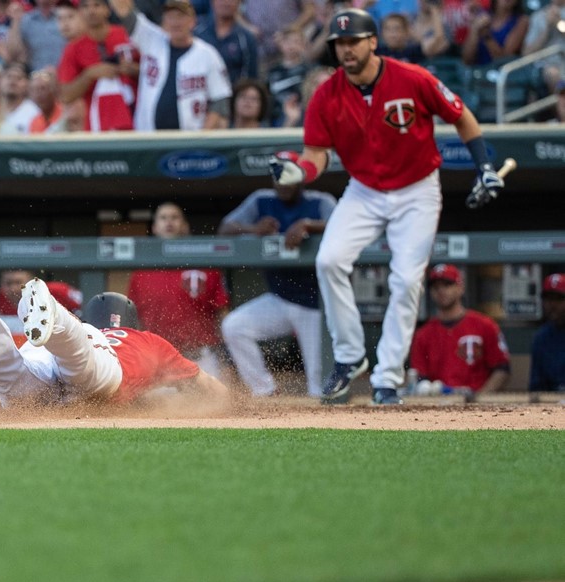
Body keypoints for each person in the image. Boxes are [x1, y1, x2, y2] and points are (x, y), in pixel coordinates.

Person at [269, 8, 505, 405]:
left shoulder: (412, 77)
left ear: (372, 42)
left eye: (353, 41)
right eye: (339, 43)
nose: (345, 49)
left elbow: (461, 115)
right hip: (364, 189)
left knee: (406, 280)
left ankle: (388, 377)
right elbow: (316, 155)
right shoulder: (327, 95)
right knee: (329, 260)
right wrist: (300, 172)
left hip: (417, 190)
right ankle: (349, 357)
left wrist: (484, 166)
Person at [0, 272, 229, 409]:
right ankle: (53, 315)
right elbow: (204, 384)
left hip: (44, 353)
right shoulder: (146, 340)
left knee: (10, 379)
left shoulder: (94, 328)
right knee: (82, 367)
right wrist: (232, 403)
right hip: (95, 356)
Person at [218, 161, 336, 397]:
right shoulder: (262, 200)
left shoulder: (320, 201)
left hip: (316, 304)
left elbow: (343, 225)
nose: (282, 184)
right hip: (280, 298)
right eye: (278, 178)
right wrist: (253, 230)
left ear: (302, 179)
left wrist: (308, 225)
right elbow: (225, 229)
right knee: (234, 326)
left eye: (289, 178)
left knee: (319, 388)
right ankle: (265, 391)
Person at [126, 203, 229, 379]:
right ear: (155, 228)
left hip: (201, 355)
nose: (169, 222)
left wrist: (226, 357)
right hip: (159, 360)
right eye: (163, 218)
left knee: (217, 402)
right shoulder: (141, 270)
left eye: (175, 217)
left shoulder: (205, 265)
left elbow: (222, 311)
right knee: (157, 405)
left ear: (185, 226)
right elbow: (131, 318)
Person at [107, 0, 232, 131]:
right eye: (171, 17)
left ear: (193, 21)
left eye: (181, 17)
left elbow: (220, 100)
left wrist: (201, 137)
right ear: (164, 21)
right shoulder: (151, 39)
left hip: (190, 141)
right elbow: (123, 9)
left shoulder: (208, 54)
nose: (176, 22)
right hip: (149, 138)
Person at [408, 264, 510, 399]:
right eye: (436, 287)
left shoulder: (485, 325)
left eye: (447, 285)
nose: (441, 290)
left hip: (477, 404)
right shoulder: (423, 334)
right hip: (438, 405)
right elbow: (419, 378)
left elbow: (502, 370)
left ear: (460, 288)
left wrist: (481, 398)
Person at [56, 0, 139, 132]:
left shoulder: (127, 35)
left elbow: (154, 71)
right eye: (86, 6)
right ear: (80, 12)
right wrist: (89, 75)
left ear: (108, 9)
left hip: (136, 117)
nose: (91, 11)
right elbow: (65, 96)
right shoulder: (73, 48)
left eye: (97, 5)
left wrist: (132, 70)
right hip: (97, 125)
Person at [194, 0, 261, 84]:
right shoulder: (197, 32)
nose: (226, 2)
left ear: (239, 3)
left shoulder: (246, 39)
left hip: (233, 93)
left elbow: (251, 79)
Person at [529, 273, 565, 394]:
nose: (552, 304)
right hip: (551, 404)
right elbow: (536, 387)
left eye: (559, 299)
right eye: (548, 298)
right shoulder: (541, 338)